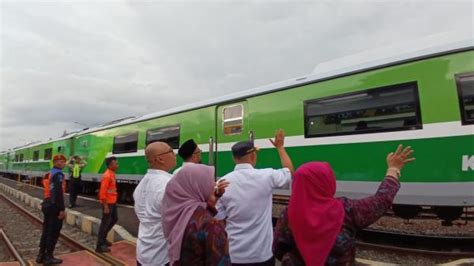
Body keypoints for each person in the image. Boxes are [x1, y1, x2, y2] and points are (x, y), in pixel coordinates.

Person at [273, 144, 415, 265]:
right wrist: (393, 169)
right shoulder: (346, 209)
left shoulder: (288, 214)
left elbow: (278, 248)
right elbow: (380, 201)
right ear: (327, 183)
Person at [215, 129, 294, 265]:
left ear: (234, 159)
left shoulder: (222, 183)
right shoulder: (266, 176)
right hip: (262, 255)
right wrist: (280, 148)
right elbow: (289, 173)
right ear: (253, 156)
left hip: (234, 255)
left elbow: (218, 219)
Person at [162, 164, 231, 266]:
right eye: (210, 181)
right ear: (198, 186)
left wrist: (213, 198)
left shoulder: (176, 211)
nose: (213, 185)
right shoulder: (210, 225)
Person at [134, 142, 177, 266]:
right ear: (160, 159)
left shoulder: (141, 185)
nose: (174, 154)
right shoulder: (169, 184)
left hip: (143, 251)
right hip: (162, 256)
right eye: (171, 151)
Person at [36, 154, 67, 265]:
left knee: (46, 230)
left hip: (47, 203)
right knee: (53, 232)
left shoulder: (49, 173)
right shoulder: (58, 174)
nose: (61, 163)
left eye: (63, 161)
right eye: (59, 161)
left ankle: (41, 255)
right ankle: (49, 257)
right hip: (54, 205)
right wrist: (61, 209)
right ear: (54, 162)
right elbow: (58, 193)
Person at [96, 157, 119, 252]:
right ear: (110, 165)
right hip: (108, 203)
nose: (117, 165)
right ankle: (99, 245)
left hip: (113, 202)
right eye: (116, 164)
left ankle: (103, 239)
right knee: (105, 223)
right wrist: (105, 206)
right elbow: (102, 192)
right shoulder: (107, 176)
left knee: (114, 219)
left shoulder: (112, 174)